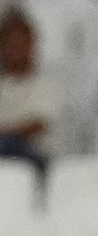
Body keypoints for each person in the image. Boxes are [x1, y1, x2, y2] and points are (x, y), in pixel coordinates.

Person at [0, 10, 56, 172]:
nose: (16, 50)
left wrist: (7, 132)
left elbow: (38, 125)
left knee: (11, 145)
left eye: (21, 43)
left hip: (33, 158)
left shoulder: (45, 86)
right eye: (11, 44)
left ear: (32, 46)